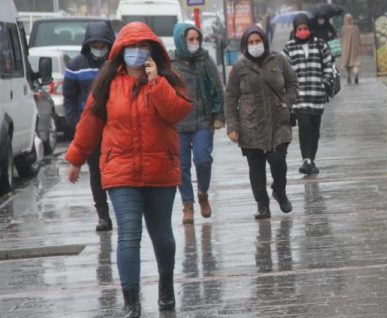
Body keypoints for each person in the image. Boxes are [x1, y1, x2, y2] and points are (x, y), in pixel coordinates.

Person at [65, 22, 192, 316]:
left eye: (143, 46)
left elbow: (177, 112)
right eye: (131, 47)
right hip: (121, 172)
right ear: (121, 51)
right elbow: (89, 122)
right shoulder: (107, 83)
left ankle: (166, 286)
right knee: (128, 234)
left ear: (153, 51)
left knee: (161, 234)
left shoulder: (167, 79)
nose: (137, 52)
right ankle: (131, 302)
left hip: (160, 169)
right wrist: (76, 158)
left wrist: (156, 82)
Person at [225, 25, 299, 219]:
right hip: (251, 124)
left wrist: (286, 103)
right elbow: (231, 97)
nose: (255, 45)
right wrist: (232, 126)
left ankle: (280, 192)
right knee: (256, 168)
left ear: (265, 42)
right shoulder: (240, 67)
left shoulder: (278, 60)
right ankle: (262, 204)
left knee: (278, 161)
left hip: (278, 122)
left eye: (258, 41)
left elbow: (292, 84)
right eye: (251, 42)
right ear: (245, 45)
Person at [63, 21, 116, 232]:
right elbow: (69, 98)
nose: (99, 48)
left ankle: (122, 210)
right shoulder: (76, 66)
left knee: (116, 170)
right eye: (95, 44)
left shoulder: (116, 64)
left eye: (103, 44)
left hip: (115, 128)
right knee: (96, 172)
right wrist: (77, 123)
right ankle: (103, 215)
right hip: (91, 130)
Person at [172, 23, 225, 225]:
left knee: (203, 159)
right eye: (190, 39)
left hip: (203, 120)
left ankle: (203, 192)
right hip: (178, 125)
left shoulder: (205, 60)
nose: (194, 43)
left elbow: (217, 88)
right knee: (180, 166)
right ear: (181, 40)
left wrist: (218, 116)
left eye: (197, 39)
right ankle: (188, 204)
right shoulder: (171, 64)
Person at [283, 14, 334, 176]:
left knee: (315, 130)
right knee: (304, 127)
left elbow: (328, 64)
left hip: (317, 95)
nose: (303, 31)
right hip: (299, 98)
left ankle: (311, 160)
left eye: (305, 28)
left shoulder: (320, 44)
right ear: (295, 30)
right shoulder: (289, 47)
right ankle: (306, 160)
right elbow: (283, 71)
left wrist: (325, 82)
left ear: (309, 29)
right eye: (300, 29)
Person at [339, 13, 361, 84]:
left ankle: (349, 76)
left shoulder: (344, 28)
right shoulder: (356, 28)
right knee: (355, 63)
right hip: (355, 48)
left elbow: (341, 36)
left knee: (347, 63)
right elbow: (359, 37)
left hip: (346, 48)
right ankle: (356, 74)